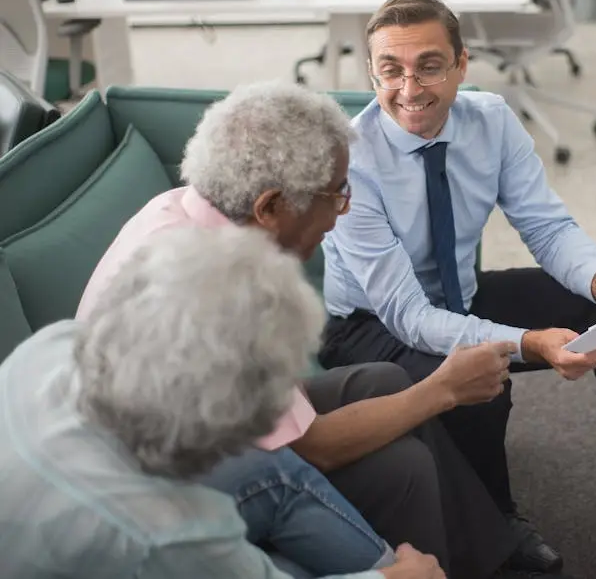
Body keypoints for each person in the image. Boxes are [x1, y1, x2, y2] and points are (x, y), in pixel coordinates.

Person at [76, 80, 563, 579]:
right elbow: (315, 448)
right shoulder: (222, 289)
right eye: (336, 194)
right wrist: (445, 389)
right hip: (166, 478)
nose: (340, 213)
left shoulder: (181, 209)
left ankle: (483, 554)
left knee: (382, 380)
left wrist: (431, 389)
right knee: (404, 466)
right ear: (269, 207)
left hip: (197, 419)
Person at [319, 0, 596, 563]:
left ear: (462, 64)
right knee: (481, 381)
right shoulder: (351, 161)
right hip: (371, 327)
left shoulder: (490, 120)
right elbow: (410, 316)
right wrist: (525, 344)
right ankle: (498, 526)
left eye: (430, 66)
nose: (410, 90)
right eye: (390, 70)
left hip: (458, 297)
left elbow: (545, 225)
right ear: (372, 71)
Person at [0, 224, 446, 579]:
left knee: (270, 466)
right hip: (102, 532)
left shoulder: (52, 346)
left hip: (62, 501)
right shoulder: (171, 532)